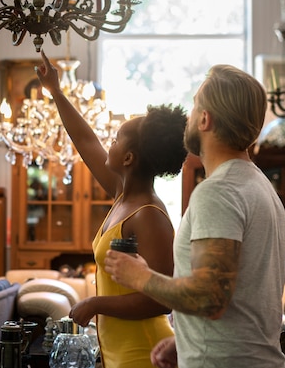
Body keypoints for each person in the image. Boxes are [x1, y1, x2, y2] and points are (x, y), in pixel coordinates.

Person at [104, 64, 285, 368]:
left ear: (205, 119)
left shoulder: (218, 192)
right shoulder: (260, 187)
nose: (188, 117)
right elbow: (241, 296)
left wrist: (139, 276)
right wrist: (186, 339)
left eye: (193, 107)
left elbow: (209, 298)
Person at [36, 51, 187, 368]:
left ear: (129, 158)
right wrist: (56, 92)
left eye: (117, 138)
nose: (109, 142)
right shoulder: (122, 195)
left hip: (144, 353)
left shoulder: (148, 214)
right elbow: (86, 141)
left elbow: (162, 299)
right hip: (118, 352)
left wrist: (95, 303)